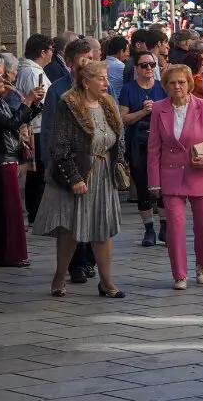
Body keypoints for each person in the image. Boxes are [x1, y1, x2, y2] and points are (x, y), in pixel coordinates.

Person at [35, 59, 126, 298]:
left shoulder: (108, 103)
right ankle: (59, 277)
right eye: (101, 78)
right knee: (71, 229)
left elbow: (118, 137)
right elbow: (60, 145)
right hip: (80, 173)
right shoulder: (70, 104)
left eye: (107, 78)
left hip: (103, 173)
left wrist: (117, 164)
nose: (107, 83)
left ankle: (106, 283)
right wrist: (74, 177)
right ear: (86, 82)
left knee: (102, 228)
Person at [148, 64, 203, 290]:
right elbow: (154, 148)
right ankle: (179, 274)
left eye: (181, 82)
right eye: (172, 83)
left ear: (189, 84)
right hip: (171, 176)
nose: (177, 87)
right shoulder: (158, 109)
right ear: (165, 85)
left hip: (201, 174)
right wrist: (154, 182)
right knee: (174, 227)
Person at [41, 39, 98, 283]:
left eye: (91, 60)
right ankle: (75, 264)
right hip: (68, 161)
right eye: (83, 62)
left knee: (94, 215)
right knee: (71, 217)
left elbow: (114, 118)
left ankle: (90, 259)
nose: (88, 66)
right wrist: (49, 162)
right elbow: (49, 129)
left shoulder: (101, 86)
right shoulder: (58, 89)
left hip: (96, 162)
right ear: (71, 63)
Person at [0, 61, 45, 266]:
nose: (2, 81)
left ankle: (1, 253)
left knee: (5, 209)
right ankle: (10, 254)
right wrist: (27, 101)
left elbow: (19, 119)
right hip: (0, 159)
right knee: (9, 209)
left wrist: (33, 104)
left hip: (7, 157)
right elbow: (12, 123)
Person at [119, 51, 169, 247]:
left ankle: (165, 227)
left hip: (161, 144)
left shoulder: (162, 87)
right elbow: (124, 119)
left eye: (152, 65)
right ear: (136, 68)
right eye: (144, 65)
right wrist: (143, 111)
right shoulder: (128, 90)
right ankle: (149, 229)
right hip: (137, 143)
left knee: (163, 187)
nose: (149, 69)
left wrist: (157, 110)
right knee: (142, 186)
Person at [17, 35, 53, 225]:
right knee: (37, 172)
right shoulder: (31, 72)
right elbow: (38, 100)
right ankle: (35, 212)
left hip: (37, 126)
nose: (52, 55)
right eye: (50, 50)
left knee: (37, 172)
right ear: (42, 52)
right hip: (36, 127)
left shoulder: (32, 70)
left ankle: (37, 210)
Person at [103, 36, 130, 101]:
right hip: (117, 102)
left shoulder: (101, 64)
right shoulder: (121, 66)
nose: (127, 54)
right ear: (121, 52)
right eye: (127, 51)